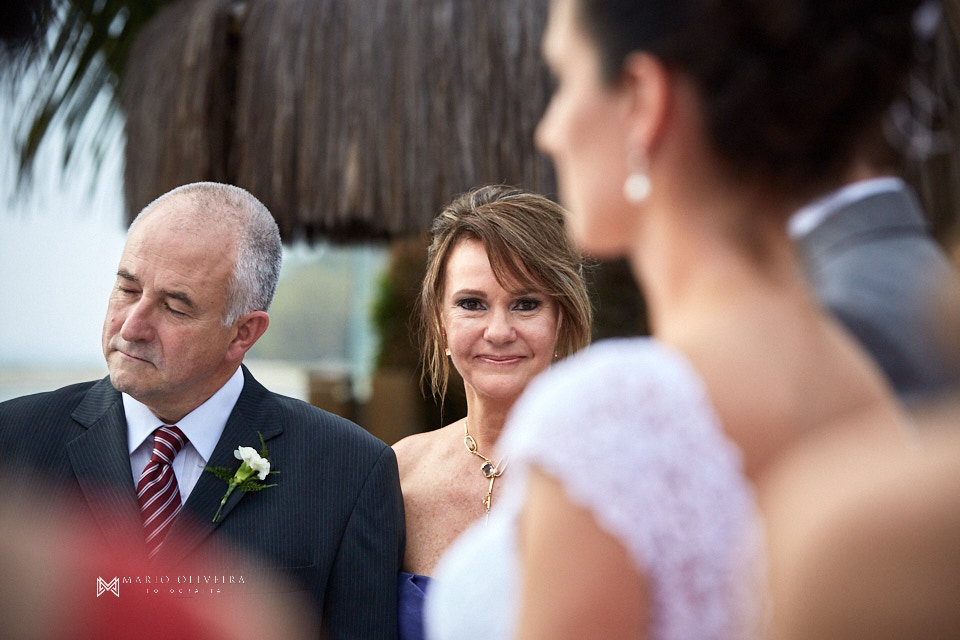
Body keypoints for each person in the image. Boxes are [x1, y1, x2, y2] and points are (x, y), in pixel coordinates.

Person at [426, 1, 920, 638]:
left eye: (566, 78)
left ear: (642, 99)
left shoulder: (612, 416)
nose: (550, 130)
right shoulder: (857, 381)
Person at [0, 182, 405, 639]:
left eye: (174, 308)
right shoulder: (12, 441)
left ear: (243, 334)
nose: (132, 327)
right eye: (127, 289)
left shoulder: (349, 471)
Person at [392, 184, 592, 640]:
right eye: (471, 304)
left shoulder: (607, 478)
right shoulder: (396, 473)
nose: (498, 331)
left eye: (526, 304)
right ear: (440, 322)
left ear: (561, 320)